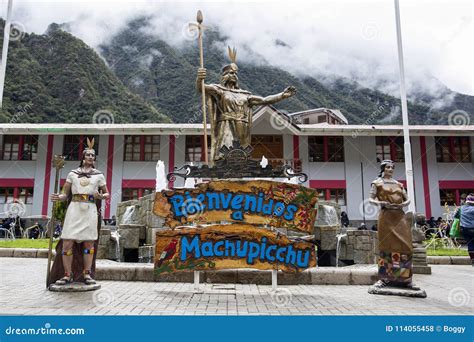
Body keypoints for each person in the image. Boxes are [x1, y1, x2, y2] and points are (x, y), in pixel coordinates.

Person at [196, 47, 296, 162]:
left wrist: (282, 95)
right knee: (226, 149)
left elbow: (264, 100)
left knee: (241, 152)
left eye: (235, 73)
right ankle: (222, 166)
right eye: (231, 73)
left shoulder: (245, 94)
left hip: (242, 125)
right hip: (227, 123)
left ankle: (240, 168)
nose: (234, 75)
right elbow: (202, 88)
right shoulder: (220, 90)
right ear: (225, 76)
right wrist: (199, 79)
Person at [49, 138, 110, 286]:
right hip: (74, 208)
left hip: (89, 209)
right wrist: (59, 197)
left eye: (93, 155)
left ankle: (87, 274)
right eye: (88, 154)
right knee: (67, 243)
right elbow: (65, 193)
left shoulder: (99, 175)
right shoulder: (72, 174)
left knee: (89, 244)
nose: (90, 157)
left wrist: (100, 196)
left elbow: (107, 194)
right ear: (83, 157)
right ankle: (67, 274)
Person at [369, 160, 416, 289]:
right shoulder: (377, 183)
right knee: (386, 246)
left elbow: (408, 199)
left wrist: (404, 205)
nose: (390, 169)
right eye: (388, 167)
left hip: (400, 216)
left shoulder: (399, 184)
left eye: (392, 167)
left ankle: (406, 278)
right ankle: (385, 278)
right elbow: (370, 198)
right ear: (383, 168)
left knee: (406, 246)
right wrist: (381, 203)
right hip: (386, 216)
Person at [455, 194, 474, 266]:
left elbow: (456, 216)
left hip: (464, 229)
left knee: (470, 243)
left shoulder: (461, 208)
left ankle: (472, 259)